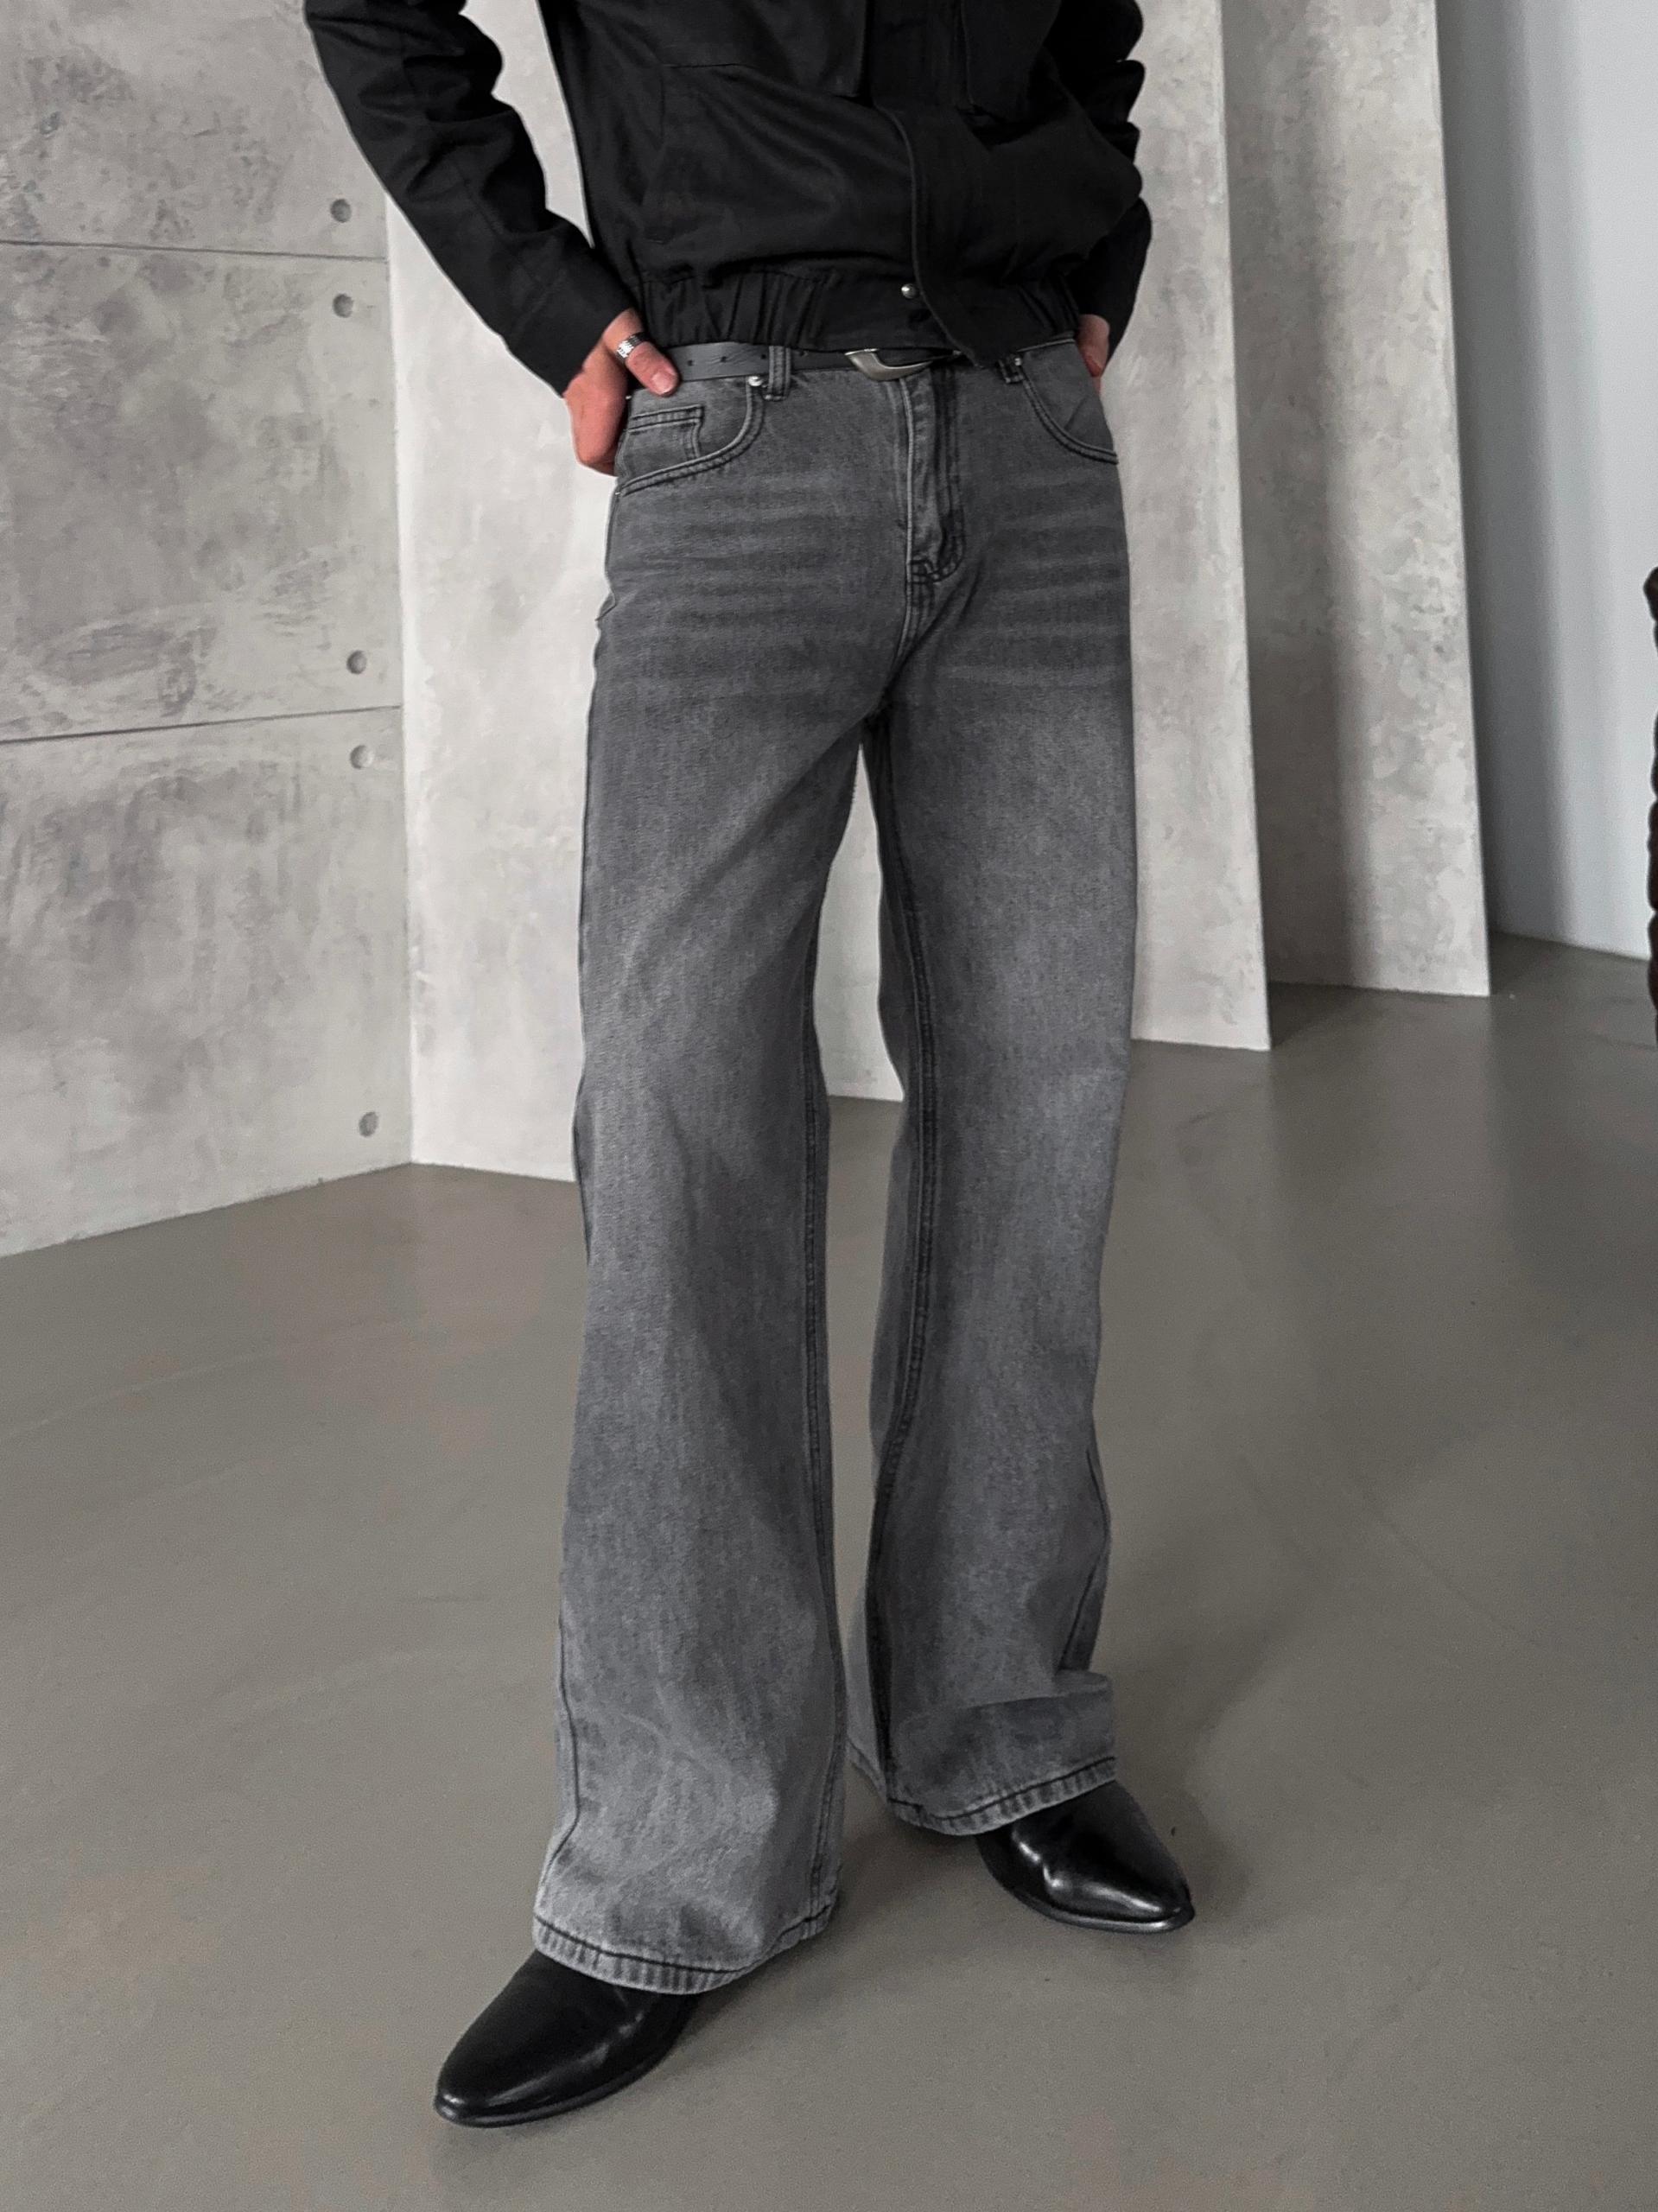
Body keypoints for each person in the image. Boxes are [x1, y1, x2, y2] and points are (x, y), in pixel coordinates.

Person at [305, 0, 1193, 2128]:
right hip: (736, 433)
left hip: (1023, 435)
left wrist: (1096, 261)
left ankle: (1001, 1723)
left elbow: (1099, 29)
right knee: (684, 1116)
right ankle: (681, 1858)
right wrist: (555, 306)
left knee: (1039, 1098)